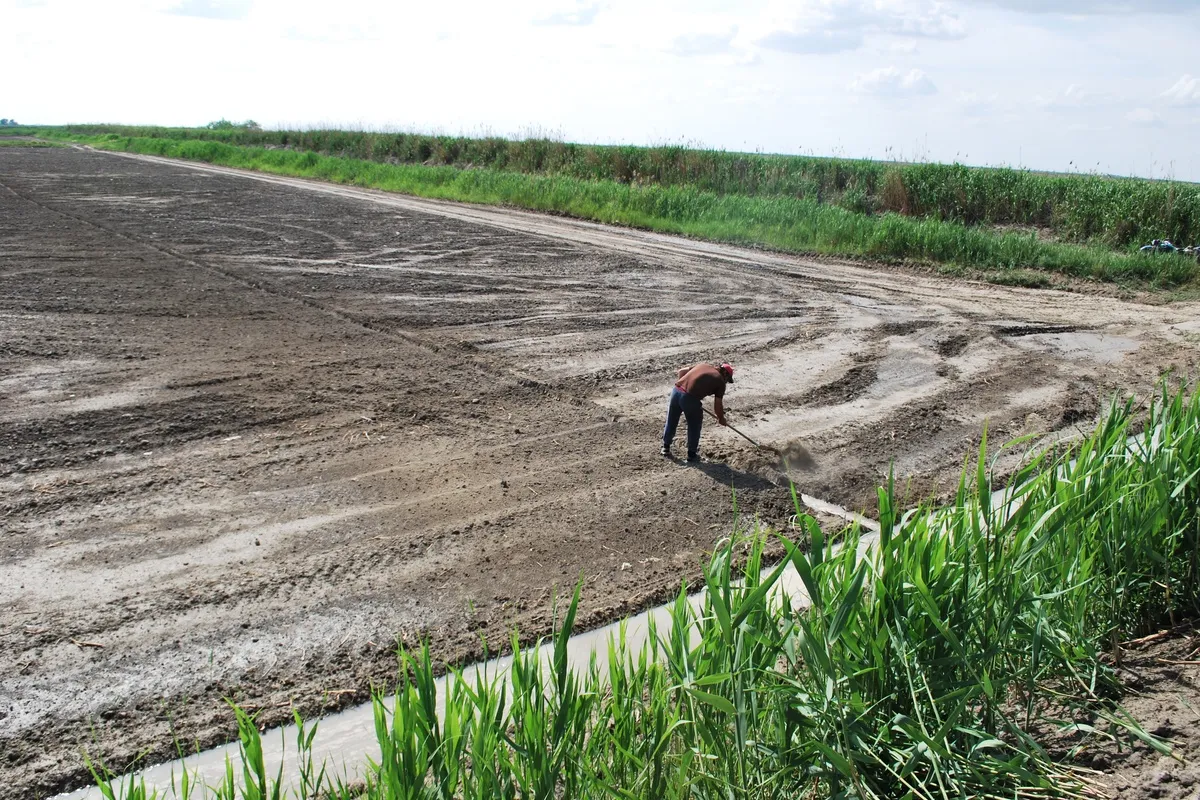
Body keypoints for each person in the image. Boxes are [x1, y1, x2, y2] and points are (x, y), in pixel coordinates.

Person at [661, 362, 734, 462]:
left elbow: (681, 371)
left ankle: (666, 448)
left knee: (672, 420)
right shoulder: (720, 381)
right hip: (689, 398)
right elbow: (718, 404)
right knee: (694, 425)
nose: (726, 382)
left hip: (676, 391)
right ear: (725, 374)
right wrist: (721, 418)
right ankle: (692, 455)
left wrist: (684, 390)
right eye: (728, 379)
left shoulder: (704, 365)